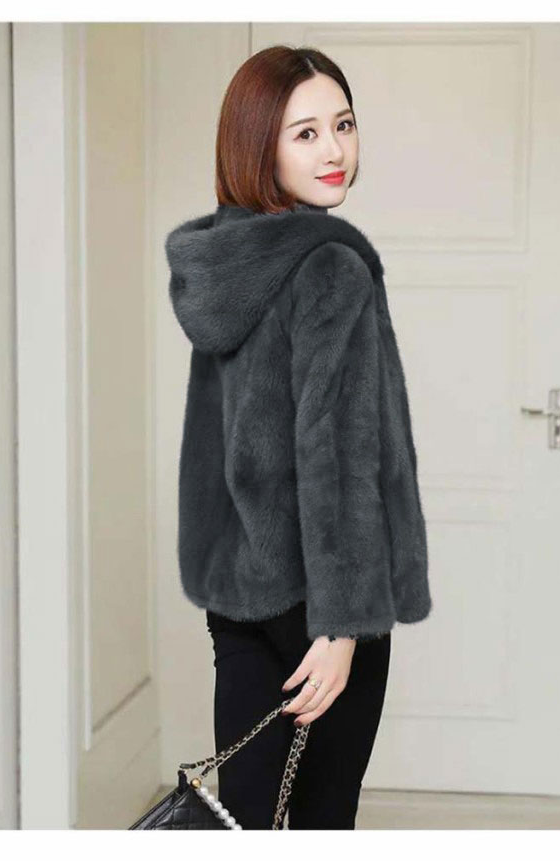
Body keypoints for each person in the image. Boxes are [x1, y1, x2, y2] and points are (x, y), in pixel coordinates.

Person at [164, 45, 432, 830]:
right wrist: (343, 626)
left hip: (240, 595)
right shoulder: (330, 267)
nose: (334, 150)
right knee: (320, 820)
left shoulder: (225, 265)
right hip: (324, 600)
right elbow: (337, 456)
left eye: (343, 124)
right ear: (259, 146)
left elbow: (217, 442)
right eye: (305, 133)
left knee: (249, 820)